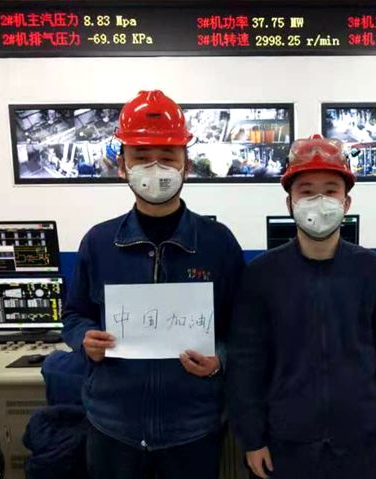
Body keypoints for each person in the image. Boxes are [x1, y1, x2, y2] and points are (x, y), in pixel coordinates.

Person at [61, 90, 245, 479]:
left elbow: (243, 327)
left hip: (192, 429)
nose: (155, 167)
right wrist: (84, 339)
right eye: (141, 157)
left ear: (186, 165)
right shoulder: (99, 242)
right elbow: (75, 314)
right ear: (122, 166)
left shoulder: (218, 243)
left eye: (167, 156)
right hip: (113, 428)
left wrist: (220, 359)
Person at [227, 134, 376, 479]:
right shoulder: (261, 275)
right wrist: (252, 438)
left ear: (346, 202)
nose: (319, 201)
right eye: (307, 191)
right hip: (284, 444)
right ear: (290, 203)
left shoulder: (375, 272)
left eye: (330, 190)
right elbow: (246, 364)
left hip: (362, 442)